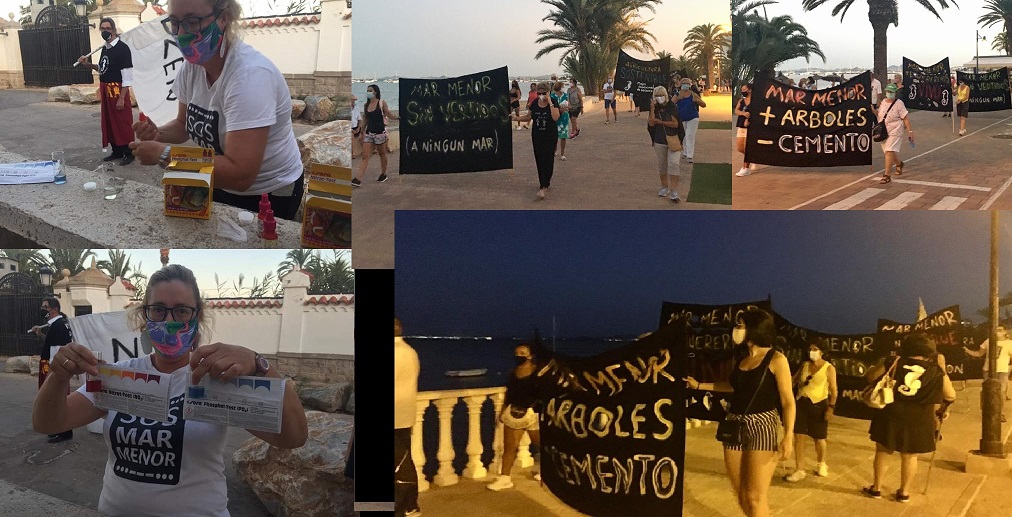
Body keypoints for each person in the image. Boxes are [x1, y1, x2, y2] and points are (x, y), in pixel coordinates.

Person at [32, 264, 308, 516]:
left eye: (181, 311)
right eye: (159, 309)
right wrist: (58, 376)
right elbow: (49, 422)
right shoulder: (119, 376)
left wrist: (260, 364)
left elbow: (293, 436)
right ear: (145, 315)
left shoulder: (216, 379)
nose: (169, 320)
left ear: (196, 317)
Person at [130, 0, 305, 220]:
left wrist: (165, 154)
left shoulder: (250, 77)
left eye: (192, 22)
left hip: (268, 193)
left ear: (224, 18)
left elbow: (241, 174)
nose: (181, 33)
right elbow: (184, 124)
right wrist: (158, 134)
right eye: (174, 23)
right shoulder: (192, 67)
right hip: (217, 179)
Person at [684, 309, 796, 517]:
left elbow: (788, 401)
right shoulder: (741, 359)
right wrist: (699, 385)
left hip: (762, 425)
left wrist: (788, 435)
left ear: (755, 329)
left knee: (755, 497)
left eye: (741, 326)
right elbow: (732, 385)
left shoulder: (776, 359)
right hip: (734, 425)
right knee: (741, 493)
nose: (736, 330)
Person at [863, 334, 956, 503]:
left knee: (883, 451)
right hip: (919, 418)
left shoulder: (893, 361)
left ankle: (876, 488)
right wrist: (943, 409)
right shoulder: (936, 370)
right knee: (910, 455)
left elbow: (870, 377)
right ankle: (903, 492)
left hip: (891, 413)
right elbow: (950, 395)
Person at [77, 18, 135, 166]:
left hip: (117, 90)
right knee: (110, 122)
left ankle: (128, 153)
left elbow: (127, 76)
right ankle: (116, 151)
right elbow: (103, 68)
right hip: (106, 90)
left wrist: (122, 98)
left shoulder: (122, 48)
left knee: (122, 122)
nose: (105, 31)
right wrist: (87, 64)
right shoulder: (105, 48)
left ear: (114, 30)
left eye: (108, 28)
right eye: (102, 29)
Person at [487, 343, 543, 491]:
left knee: (541, 445)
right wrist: (503, 410)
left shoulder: (537, 373)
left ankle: (547, 472)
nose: (519, 355)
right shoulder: (513, 372)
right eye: (516, 352)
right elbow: (509, 393)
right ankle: (505, 478)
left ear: (530, 356)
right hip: (514, 413)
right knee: (510, 447)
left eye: (522, 353)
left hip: (533, 414)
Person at [783, 341, 837, 482]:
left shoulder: (828, 368)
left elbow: (834, 391)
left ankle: (821, 463)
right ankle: (799, 469)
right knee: (799, 436)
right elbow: (793, 380)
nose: (812, 352)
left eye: (815, 349)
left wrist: (831, 407)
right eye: (810, 349)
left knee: (819, 437)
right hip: (802, 402)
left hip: (818, 404)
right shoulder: (805, 365)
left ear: (822, 351)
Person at [31, 297, 74, 443]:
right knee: (58, 395)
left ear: (54, 309)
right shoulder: (61, 324)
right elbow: (53, 343)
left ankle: (63, 429)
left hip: (52, 365)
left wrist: (54, 372)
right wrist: (41, 334)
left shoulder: (58, 325)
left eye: (45, 307)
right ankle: (61, 428)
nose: (43, 309)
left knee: (55, 396)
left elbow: (58, 350)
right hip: (53, 364)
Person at [511, 81, 560, 200]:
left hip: (550, 136)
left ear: (548, 92)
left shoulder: (553, 102)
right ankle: (542, 182)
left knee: (548, 159)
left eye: (543, 93)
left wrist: (549, 102)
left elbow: (555, 117)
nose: (540, 95)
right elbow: (529, 116)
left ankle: (545, 184)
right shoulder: (534, 103)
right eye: (539, 93)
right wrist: (516, 118)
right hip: (537, 135)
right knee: (539, 158)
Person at [394, 318, 421, 516]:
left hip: (397, 418)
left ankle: (405, 506)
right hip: (403, 416)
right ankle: (411, 505)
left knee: (401, 465)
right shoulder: (410, 352)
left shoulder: (397, 353)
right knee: (403, 461)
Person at [353, 84, 399, 186]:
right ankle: (358, 178)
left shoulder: (381, 103)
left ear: (376, 92)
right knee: (365, 155)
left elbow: (388, 114)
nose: (368, 92)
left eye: (370, 90)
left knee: (382, 154)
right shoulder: (366, 105)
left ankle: (383, 173)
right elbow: (365, 119)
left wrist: (397, 118)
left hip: (380, 134)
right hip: (369, 133)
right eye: (367, 90)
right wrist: (361, 132)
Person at [963, 325, 1012, 419]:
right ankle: (986, 411)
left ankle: (999, 413)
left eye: (1000, 330)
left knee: (1001, 393)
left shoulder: (1009, 343)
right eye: (996, 330)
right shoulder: (988, 341)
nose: (998, 332)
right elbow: (979, 354)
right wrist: (967, 350)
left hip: (1002, 371)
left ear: (1005, 332)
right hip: (988, 370)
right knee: (986, 392)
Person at [648, 86, 682, 202]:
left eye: (661, 95)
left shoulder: (672, 107)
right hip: (659, 140)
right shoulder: (655, 108)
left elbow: (676, 124)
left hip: (673, 139)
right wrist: (652, 108)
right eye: (657, 96)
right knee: (662, 165)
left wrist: (661, 122)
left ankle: (674, 191)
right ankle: (664, 186)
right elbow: (651, 123)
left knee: (674, 165)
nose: (659, 98)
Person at [877, 83, 913, 184]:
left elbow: (905, 118)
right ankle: (899, 164)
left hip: (896, 130)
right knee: (889, 151)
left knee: (889, 151)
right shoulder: (883, 102)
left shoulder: (899, 103)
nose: (889, 94)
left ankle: (887, 175)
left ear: (895, 93)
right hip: (884, 131)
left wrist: (910, 131)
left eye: (891, 92)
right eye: (888, 92)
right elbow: (880, 115)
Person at [676, 78, 706, 164]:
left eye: (687, 83)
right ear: (681, 85)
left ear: (690, 85)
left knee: (690, 135)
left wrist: (697, 101)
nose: (686, 85)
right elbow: (671, 104)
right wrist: (678, 98)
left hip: (693, 118)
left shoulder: (693, 94)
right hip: (681, 119)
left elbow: (704, 104)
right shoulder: (678, 94)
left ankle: (690, 156)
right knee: (684, 135)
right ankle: (685, 152)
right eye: (684, 83)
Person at [735, 84, 752, 177]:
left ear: (749, 90)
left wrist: (748, 119)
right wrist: (744, 114)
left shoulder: (755, 101)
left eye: (744, 89)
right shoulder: (741, 101)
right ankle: (752, 156)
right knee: (740, 148)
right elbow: (736, 110)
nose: (743, 91)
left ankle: (745, 167)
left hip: (750, 127)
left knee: (747, 147)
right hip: (741, 126)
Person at [552, 81, 570, 161]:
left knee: (563, 137)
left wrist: (567, 107)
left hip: (564, 118)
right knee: (554, 136)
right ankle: (554, 150)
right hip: (555, 118)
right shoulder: (552, 96)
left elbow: (568, 104)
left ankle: (562, 154)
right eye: (563, 86)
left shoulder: (565, 95)